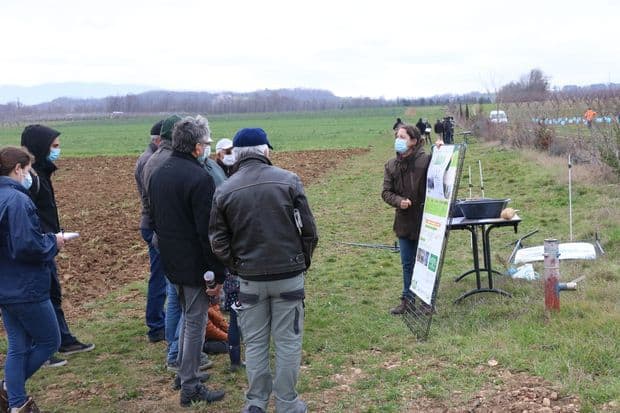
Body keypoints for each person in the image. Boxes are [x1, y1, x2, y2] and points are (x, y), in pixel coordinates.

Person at [210, 127, 319, 413]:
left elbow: (217, 240)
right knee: (287, 342)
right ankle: (286, 403)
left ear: (237, 154)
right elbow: (309, 231)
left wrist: (238, 266)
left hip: (249, 280)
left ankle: (256, 402)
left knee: (256, 343)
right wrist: (301, 262)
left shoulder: (225, 189)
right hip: (288, 277)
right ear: (264, 151)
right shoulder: (289, 181)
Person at [148, 116, 225, 407]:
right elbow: (206, 232)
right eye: (206, 143)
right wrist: (215, 271)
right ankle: (190, 386)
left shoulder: (160, 172)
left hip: (171, 260)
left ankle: (184, 372)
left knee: (184, 315)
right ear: (196, 147)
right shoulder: (199, 178)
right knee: (195, 322)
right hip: (194, 265)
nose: (207, 148)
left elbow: (157, 220)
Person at [20, 125, 95, 367]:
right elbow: (26, 218)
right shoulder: (30, 180)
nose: (58, 150)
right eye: (54, 146)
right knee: (40, 296)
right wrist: (45, 239)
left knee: (52, 292)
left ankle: (62, 339)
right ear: (40, 148)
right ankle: (41, 348)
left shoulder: (42, 174)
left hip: (47, 244)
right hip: (37, 247)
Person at [0, 146, 64, 413]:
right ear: (18, 169)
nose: (29, 175)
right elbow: (27, 246)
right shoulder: (18, 201)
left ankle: (12, 399)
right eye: (28, 170)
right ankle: (13, 395)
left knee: (17, 345)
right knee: (51, 340)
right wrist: (54, 242)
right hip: (26, 287)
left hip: (5, 285)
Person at [382, 124, 438, 315]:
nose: (398, 140)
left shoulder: (427, 160)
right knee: (407, 263)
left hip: (426, 222)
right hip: (404, 222)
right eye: (397, 136)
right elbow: (386, 192)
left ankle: (426, 302)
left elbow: (441, 176)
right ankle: (407, 300)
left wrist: (441, 150)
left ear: (413, 141)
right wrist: (399, 201)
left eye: (403, 137)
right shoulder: (391, 165)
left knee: (426, 263)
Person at [134, 120, 167, 343]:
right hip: (154, 226)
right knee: (159, 278)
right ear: (158, 140)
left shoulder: (150, 158)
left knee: (160, 276)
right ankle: (155, 325)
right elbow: (153, 200)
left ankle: (158, 319)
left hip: (152, 224)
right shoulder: (150, 162)